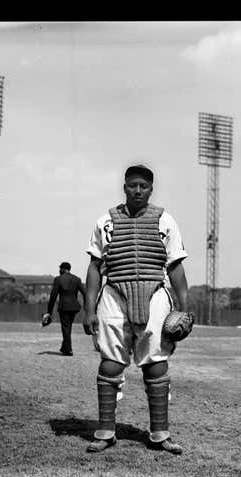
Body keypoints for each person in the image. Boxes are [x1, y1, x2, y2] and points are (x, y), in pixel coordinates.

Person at [82, 163, 190, 454]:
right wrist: (89, 309)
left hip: (154, 294)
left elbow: (176, 266)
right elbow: (94, 268)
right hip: (114, 294)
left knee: (156, 363)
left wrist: (185, 308)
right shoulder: (106, 221)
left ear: (151, 189)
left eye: (144, 186)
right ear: (125, 186)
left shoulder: (165, 220)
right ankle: (105, 431)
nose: (138, 190)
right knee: (111, 362)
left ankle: (160, 434)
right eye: (133, 185)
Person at [45, 262, 86, 356]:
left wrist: (49, 311)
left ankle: (68, 349)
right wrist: (87, 306)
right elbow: (84, 293)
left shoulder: (58, 279)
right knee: (68, 326)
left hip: (64, 306)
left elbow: (53, 296)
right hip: (74, 307)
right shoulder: (77, 279)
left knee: (65, 327)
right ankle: (64, 347)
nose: (59, 270)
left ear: (63, 269)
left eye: (60, 268)